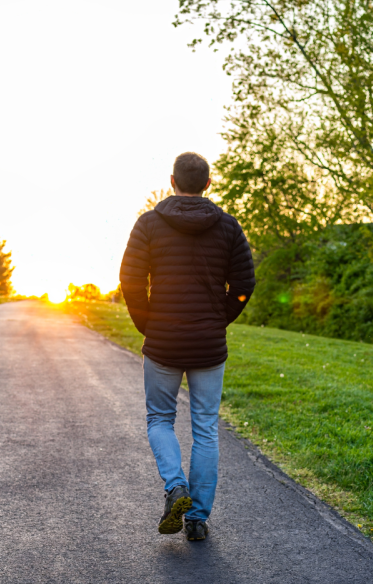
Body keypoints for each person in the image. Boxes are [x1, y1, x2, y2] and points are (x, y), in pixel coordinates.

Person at [119, 152, 256, 541]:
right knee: (206, 428)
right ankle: (196, 519)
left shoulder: (148, 223)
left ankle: (175, 486)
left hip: (163, 341)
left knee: (160, 419)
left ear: (172, 181)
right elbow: (244, 286)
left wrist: (148, 323)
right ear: (208, 184)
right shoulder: (228, 227)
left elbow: (130, 280)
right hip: (208, 346)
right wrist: (219, 319)